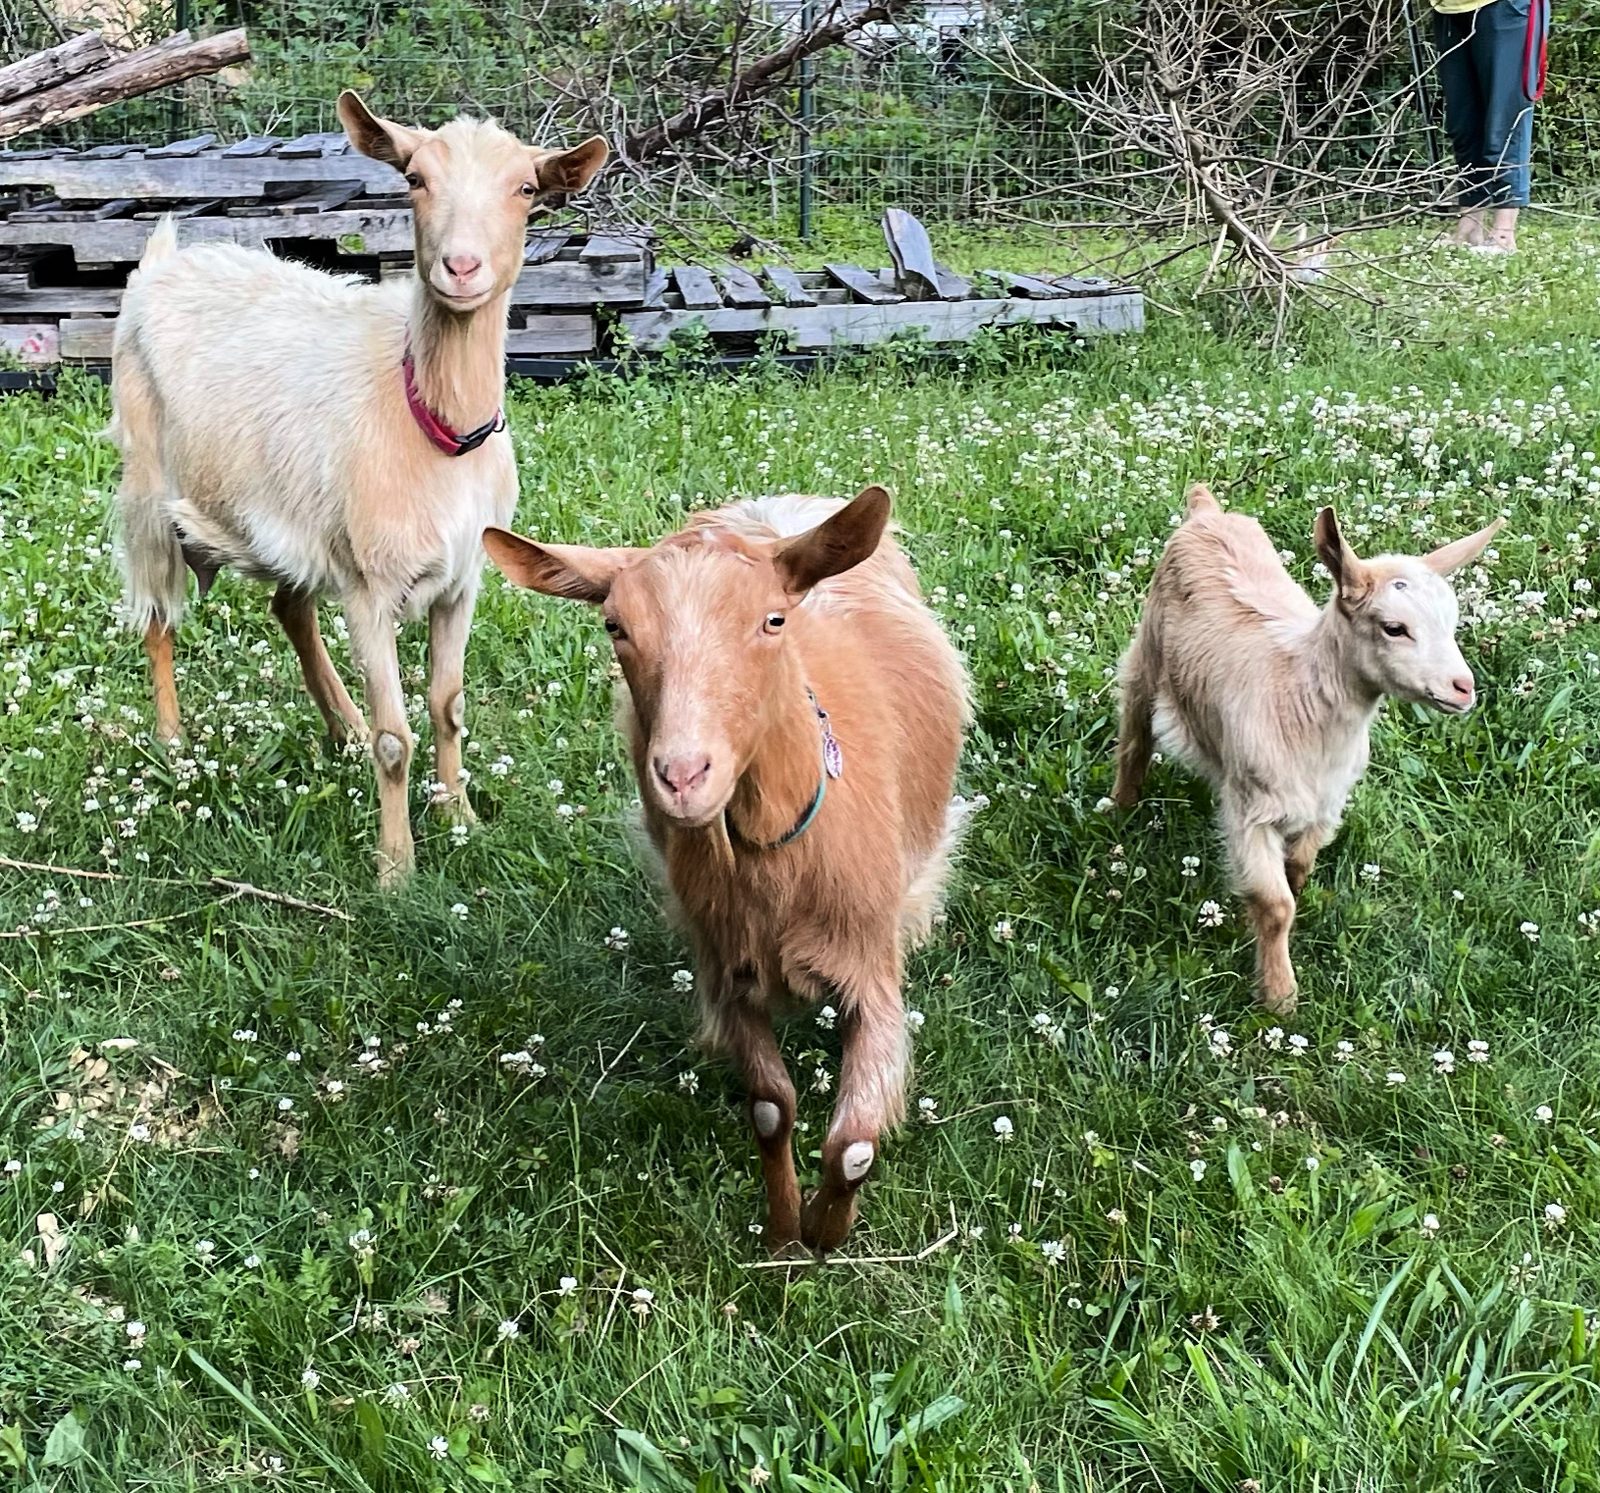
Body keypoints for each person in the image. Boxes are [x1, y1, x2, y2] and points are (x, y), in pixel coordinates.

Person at [1431, 0, 1549, 253]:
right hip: (1448, 9)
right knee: (1463, 124)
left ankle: (1503, 234)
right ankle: (1470, 225)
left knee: (1505, 118)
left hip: (1506, 7)